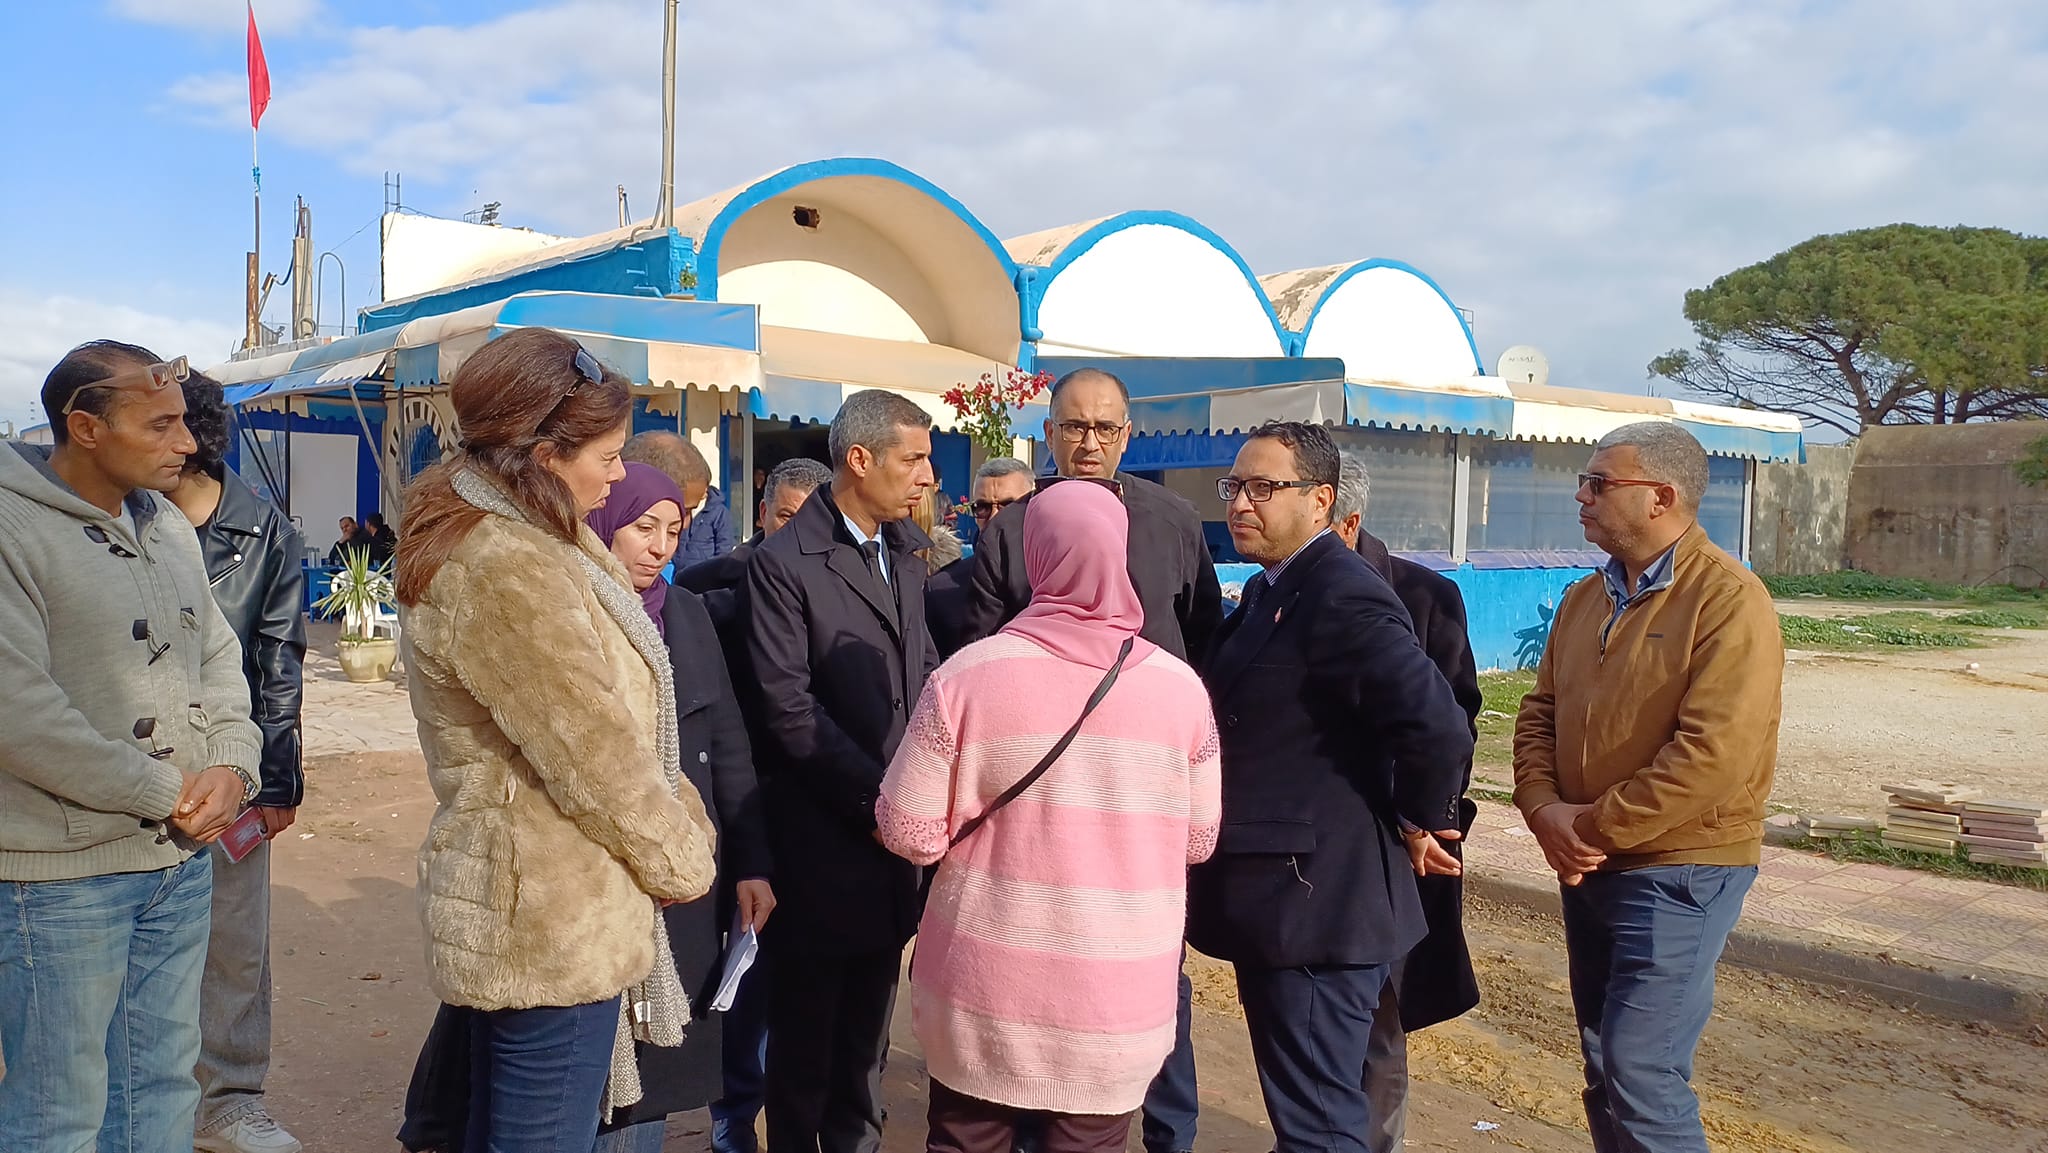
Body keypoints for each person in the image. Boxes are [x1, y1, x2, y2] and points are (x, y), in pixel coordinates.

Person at [396, 327, 720, 1152]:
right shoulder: (507, 561)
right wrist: (680, 856)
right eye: (606, 457)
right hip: (548, 913)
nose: (617, 475)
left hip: (541, 895)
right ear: (544, 454)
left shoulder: (529, 533)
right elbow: (594, 751)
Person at [878, 479, 1222, 1153]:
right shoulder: (1182, 690)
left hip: (981, 993)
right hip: (1117, 999)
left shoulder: (967, 677)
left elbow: (907, 830)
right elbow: (1200, 839)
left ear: (1034, 555)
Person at [0, 341, 263, 1152]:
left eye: (184, 421)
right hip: (60, 879)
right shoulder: (11, 527)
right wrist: (164, 792)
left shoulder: (165, 522)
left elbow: (217, 653)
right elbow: (19, 712)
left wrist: (233, 762)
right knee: (59, 1110)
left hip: (176, 867)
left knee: (159, 1091)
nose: (187, 442)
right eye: (159, 425)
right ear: (85, 427)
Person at [1186, 421, 1471, 1153]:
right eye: (1234, 486)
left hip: (1317, 907)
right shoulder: (1273, 588)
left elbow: (1438, 725)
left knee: (1320, 1124)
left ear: (1321, 500)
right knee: (1310, 1116)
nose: (1240, 503)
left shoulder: (1341, 594)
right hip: (1283, 901)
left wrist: (1418, 817)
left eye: (1263, 488)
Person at [960, 369, 1222, 1153]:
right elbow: (981, 649)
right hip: (1041, 798)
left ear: (1127, 435)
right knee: (1036, 979)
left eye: (1106, 428)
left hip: (1139, 796)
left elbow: (1202, 637)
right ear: (1048, 432)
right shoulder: (1014, 529)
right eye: (1074, 426)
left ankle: (1170, 1133)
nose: (1089, 442)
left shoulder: (1173, 521)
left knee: (1150, 973)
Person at [1512, 422, 1782, 1153]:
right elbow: (1539, 714)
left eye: (1600, 483)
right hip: (1591, 864)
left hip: (1679, 868)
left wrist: (1587, 828)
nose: (1582, 495)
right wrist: (1542, 808)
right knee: (1606, 1065)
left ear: (1661, 497)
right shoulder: (1585, 597)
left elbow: (1714, 755)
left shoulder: (1728, 600)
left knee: (1642, 1069)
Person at [743, 389, 940, 1153]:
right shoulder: (785, 564)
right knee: (805, 1058)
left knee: (865, 1057)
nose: (926, 476)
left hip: (894, 850)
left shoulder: (907, 552)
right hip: (823, 845)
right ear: (860, 459)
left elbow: (922, 677)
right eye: (913, 458)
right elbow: (789, 711)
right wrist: (881, 800)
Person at [586, 464, 778, 1153]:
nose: (660, 546)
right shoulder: (574, 614)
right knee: (588, 1065)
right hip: (600, 879)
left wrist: (750, 863)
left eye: (674, 530)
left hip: (686, 881)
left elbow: (727, 743)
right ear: (604, 523)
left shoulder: (686, 614)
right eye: (644, 527)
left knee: (659, 1062)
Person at [165, 371, 311, 1153]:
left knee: (234, 942)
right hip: (129, 767)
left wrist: (276, 780)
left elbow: (279, 661)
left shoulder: (266, 532)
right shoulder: (113, 516)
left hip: (233, 763)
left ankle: (227, 1100)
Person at [674, 454, 831, 1153]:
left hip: (819, 810)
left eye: (808, 519)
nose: (793, 532)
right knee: (743, 970)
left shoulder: (844, 586)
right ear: (763, 513)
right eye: (784, 516)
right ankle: (733, 1111)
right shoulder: (708, 587)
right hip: (738, 804)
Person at [1328, 452, 1482, 1153]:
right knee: (1312, 1017)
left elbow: (1454, 727)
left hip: (1399, 844)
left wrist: (1420, 818)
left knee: (1381, 1018)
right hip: (1311, 849)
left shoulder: (1424, 597)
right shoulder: (1274, 595)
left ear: (1344, 519)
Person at [926, 457, 1032, 658]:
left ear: (1032, 505)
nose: (995, 517)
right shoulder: (939, 591)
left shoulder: (1057, 583)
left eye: (1008, 506)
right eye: (983, 507)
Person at [624, 430, 735, 566]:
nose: (684, 524)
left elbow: (725, 548)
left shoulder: (719, 513)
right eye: (646, 527)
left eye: (671, 532)